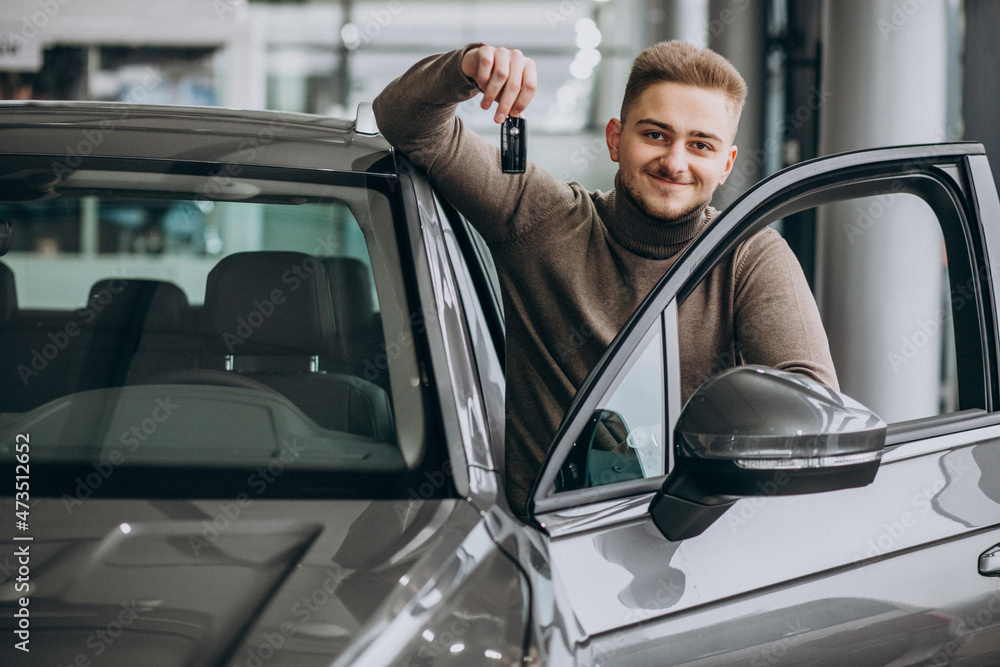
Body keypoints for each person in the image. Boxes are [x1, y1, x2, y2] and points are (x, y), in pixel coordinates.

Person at [373, 41, 837, 521]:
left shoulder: (748, 256)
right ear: (615, 139)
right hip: (548, 557)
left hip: (692, 548)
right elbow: (406, 124)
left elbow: (809, 409)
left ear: (726, 164)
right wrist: (467, 67)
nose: (675, 162)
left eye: (700, 144)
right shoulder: (540, 220)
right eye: (656, 135)